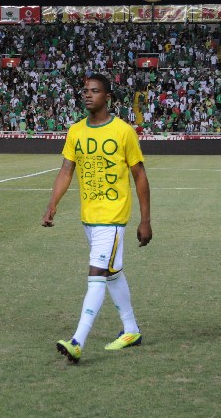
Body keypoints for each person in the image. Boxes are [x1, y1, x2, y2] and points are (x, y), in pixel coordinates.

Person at [42, 73, 152, 364]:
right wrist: (53, 203)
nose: (88, 95)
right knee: (113, 273)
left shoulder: (123, 131)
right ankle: (131, 330)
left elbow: (139, 175)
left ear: (108, 97)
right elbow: (66, 170)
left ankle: (78, 340)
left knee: (97, 276)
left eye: (95, 91)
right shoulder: (76, 131)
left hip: (112, 218)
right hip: (89, 218)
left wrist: (145, 220)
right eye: (85, 90)